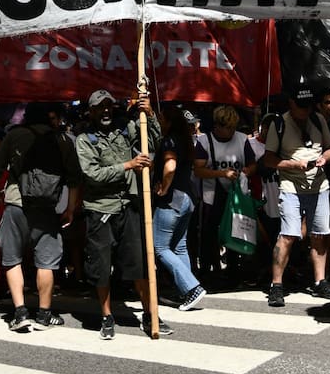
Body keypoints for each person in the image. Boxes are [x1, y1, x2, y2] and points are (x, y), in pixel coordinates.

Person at [76, 88, 163, 339]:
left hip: (127, 206)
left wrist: (149, 114)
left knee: (138, 265)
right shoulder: (84, 140)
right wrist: (128, 165)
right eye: (99, 107)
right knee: (101, 268)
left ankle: (150, 315)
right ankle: (106, 316)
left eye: (108, 106)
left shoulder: (125, 130)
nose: (105, 111)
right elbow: (92, 174)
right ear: (91, 110)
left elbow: (153, 140)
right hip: (100, 211)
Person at [0, 102, 83, 331]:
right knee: (46, 262)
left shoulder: (14, 135)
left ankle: (20, 313)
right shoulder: (62, 140)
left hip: (15, 204)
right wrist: (70, 208)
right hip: (47, 208)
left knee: (12, 259)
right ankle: (44, 313)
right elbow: (74, 179)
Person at [262, 86, 330, 306]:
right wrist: (293, 165)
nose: (305, 112)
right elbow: (268, 159)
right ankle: (276, 285)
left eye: (308, 107)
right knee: (288, 235)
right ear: (291, 103)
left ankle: (320, 281)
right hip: (290, 186)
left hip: (319, 186)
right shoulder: (279, 124)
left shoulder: (318, 119)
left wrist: (325, 158)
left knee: (319, 234)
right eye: (301, 107)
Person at [193, 105, 257, 283]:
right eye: (226, 127)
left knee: (236, 231)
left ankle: (234, 271)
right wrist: (221, 174)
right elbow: (198, 170)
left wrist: (246, 171)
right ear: (217, 126)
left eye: (232, 127)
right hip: (212, 195)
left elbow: (253, 165)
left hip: (236, 196)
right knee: (209, 233)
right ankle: (207, 270)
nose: (230, 131)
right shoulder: (205, 141)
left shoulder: (242, 139)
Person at [152, 106, 207, 312]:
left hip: (172, 199)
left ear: (167, 121)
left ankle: (192, 287)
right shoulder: (185, 140)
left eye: (160, 118)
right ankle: (186, 290)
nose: (158, 122)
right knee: (179, 246)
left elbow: (170, 166)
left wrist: (164, 187)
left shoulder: (169, 140)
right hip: (188, 198)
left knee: (161, 248)